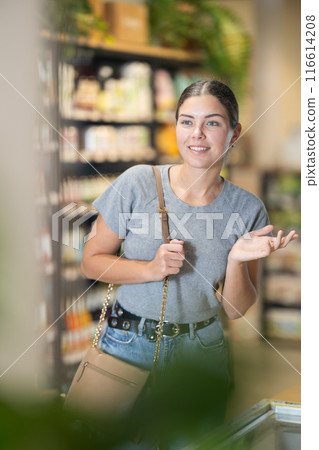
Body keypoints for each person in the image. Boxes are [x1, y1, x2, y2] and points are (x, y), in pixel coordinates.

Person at [81, 79, 298, 447]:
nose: (197, 134)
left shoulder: (248, 209)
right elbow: (91, 262)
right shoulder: (138, 183)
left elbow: (235, 309)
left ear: (234, 132)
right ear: (176, 126)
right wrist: (150, 269)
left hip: (201, 351)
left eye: (212, 122)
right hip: (127, 343)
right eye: (186, 121)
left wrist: (236, 261)